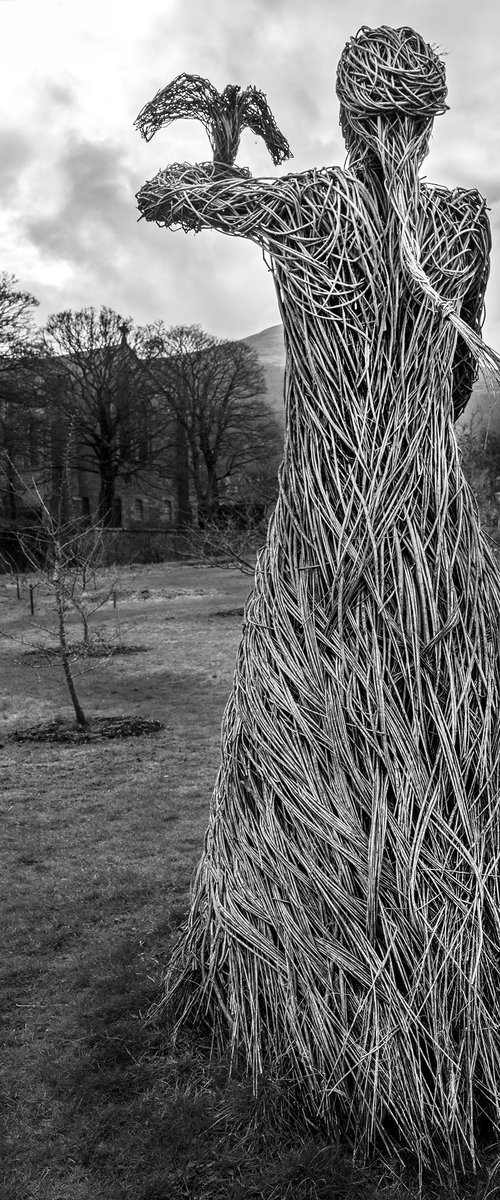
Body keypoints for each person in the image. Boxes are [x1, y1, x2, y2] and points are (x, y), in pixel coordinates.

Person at [136, 27, 500, 1166]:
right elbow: (453, 367)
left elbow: (160, 192)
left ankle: (315, 973)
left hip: (328, 529)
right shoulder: (458, 221)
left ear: (345, 118)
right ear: (428, 121)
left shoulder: (301, 211)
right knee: (443, 739)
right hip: (426, 527)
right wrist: (413, 449)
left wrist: (226, 154)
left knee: (312, 726)